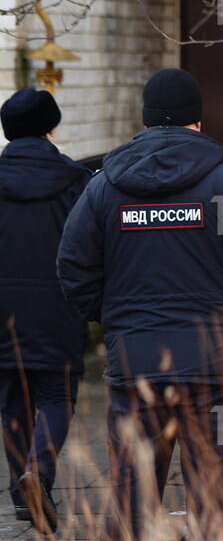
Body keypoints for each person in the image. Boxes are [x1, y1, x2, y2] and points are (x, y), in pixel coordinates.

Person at [57, 68, 223, 541]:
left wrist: (116, 321)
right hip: (217, 368)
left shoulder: (104, 185)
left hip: (136, 366)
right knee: (212, 489)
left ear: (144, 121)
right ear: (198, 122)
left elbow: (73, 266)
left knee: (131, 491)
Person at [0, 89, 92, 534]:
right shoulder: (76, 180)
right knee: (56, 398)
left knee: (13, 403)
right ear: (50, 128)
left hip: (3, 312)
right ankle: (36, 471)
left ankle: (23, 498)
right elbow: (90, 246)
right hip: (59, 307)